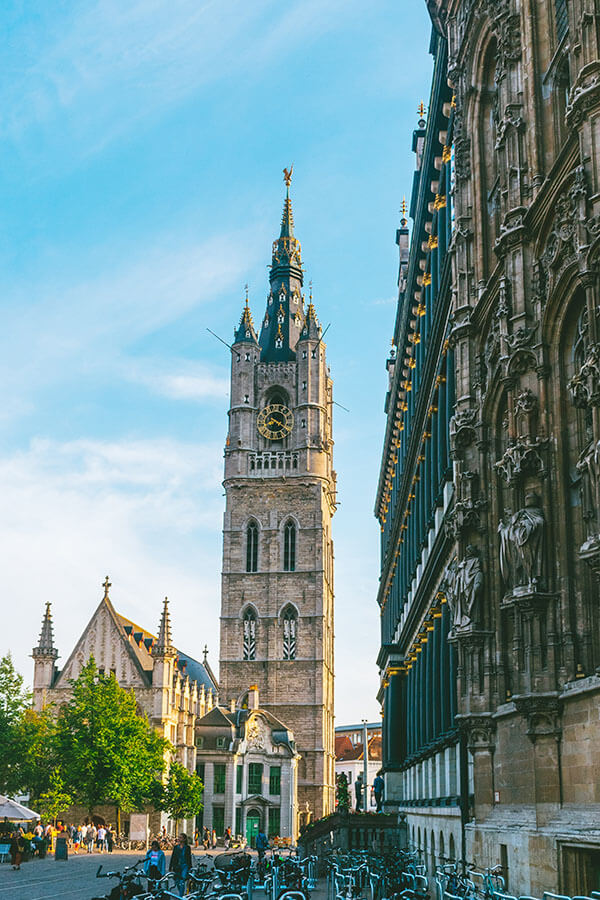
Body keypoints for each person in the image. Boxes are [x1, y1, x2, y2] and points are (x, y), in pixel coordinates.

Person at [169, 833, 192, 897]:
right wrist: (170, 867)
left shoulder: (187, 848)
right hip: (177, 866)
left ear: (184, 839)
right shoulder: (176, 847)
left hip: (185, 866)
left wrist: (190, 867)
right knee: (177, 881)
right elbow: (173, 857)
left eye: (180, 837)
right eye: (178, 837)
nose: (179, 839)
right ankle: (181, 893)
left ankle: (180, 896)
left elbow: (189, 858)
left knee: (182, 881)